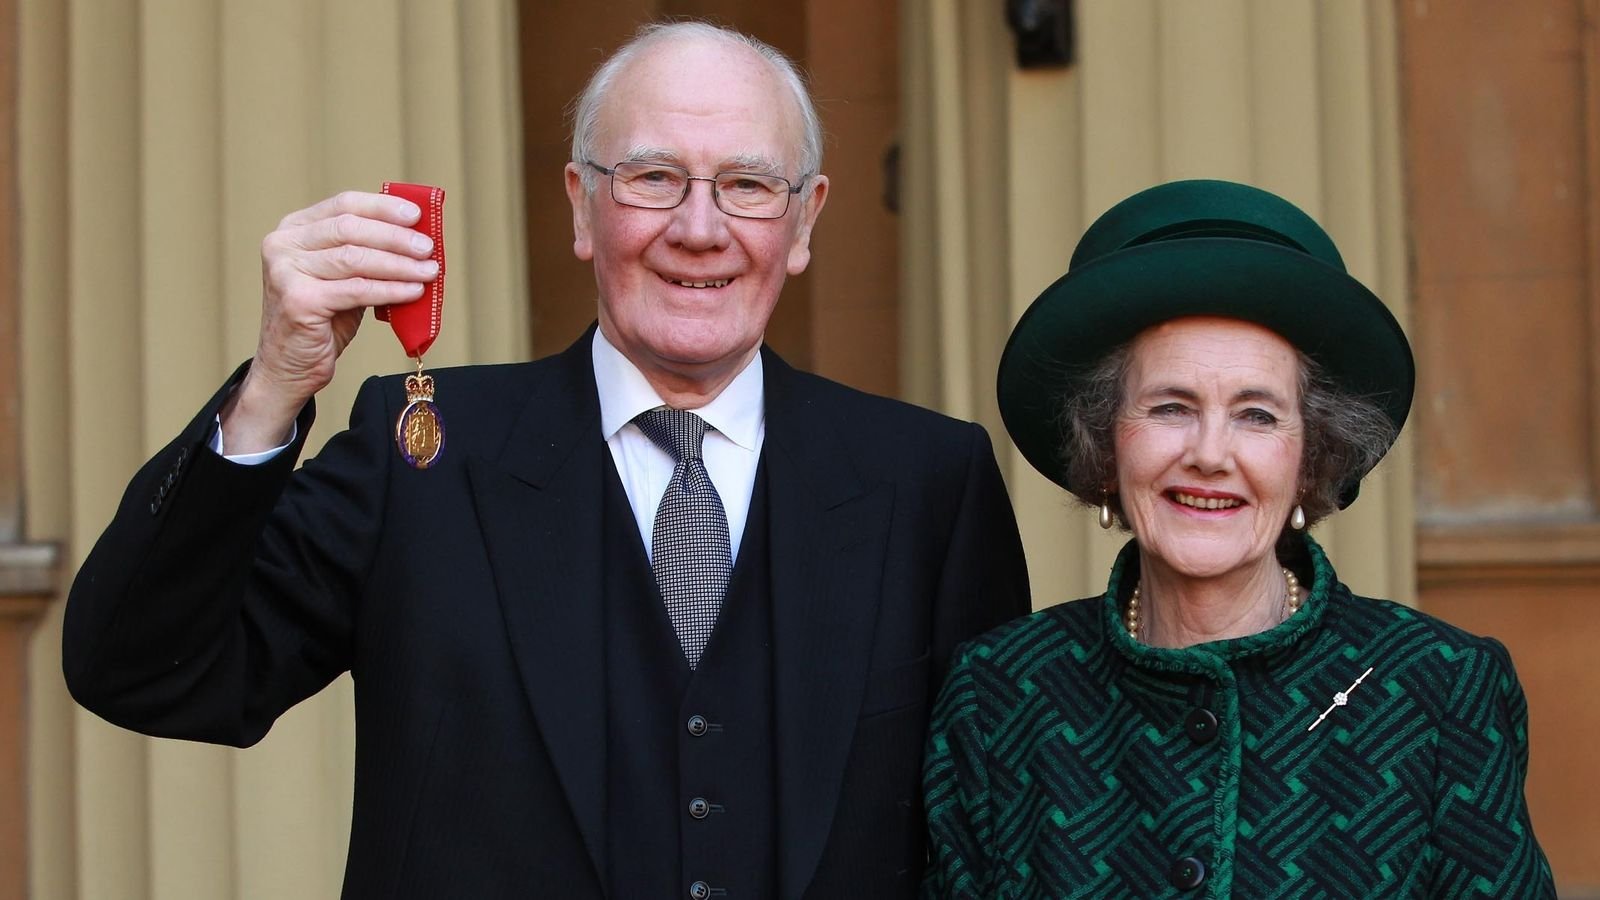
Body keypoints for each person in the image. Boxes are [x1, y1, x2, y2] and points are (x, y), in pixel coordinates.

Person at [62, 21, 1030, 900]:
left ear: (806, 219)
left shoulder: (927, 485)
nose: (699, 228)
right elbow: (140, 667)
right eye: (652, 178)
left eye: (746, 184)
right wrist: (275, 382)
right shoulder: (421, 458)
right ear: (581, 206)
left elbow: (996, 840)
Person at [921, 179, 1554, 898]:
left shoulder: (1439, 688)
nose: (1210, 454)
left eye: (1256, 415)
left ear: (1311, 456)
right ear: (1105, 445)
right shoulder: (1004, 693)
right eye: (1170, 407)